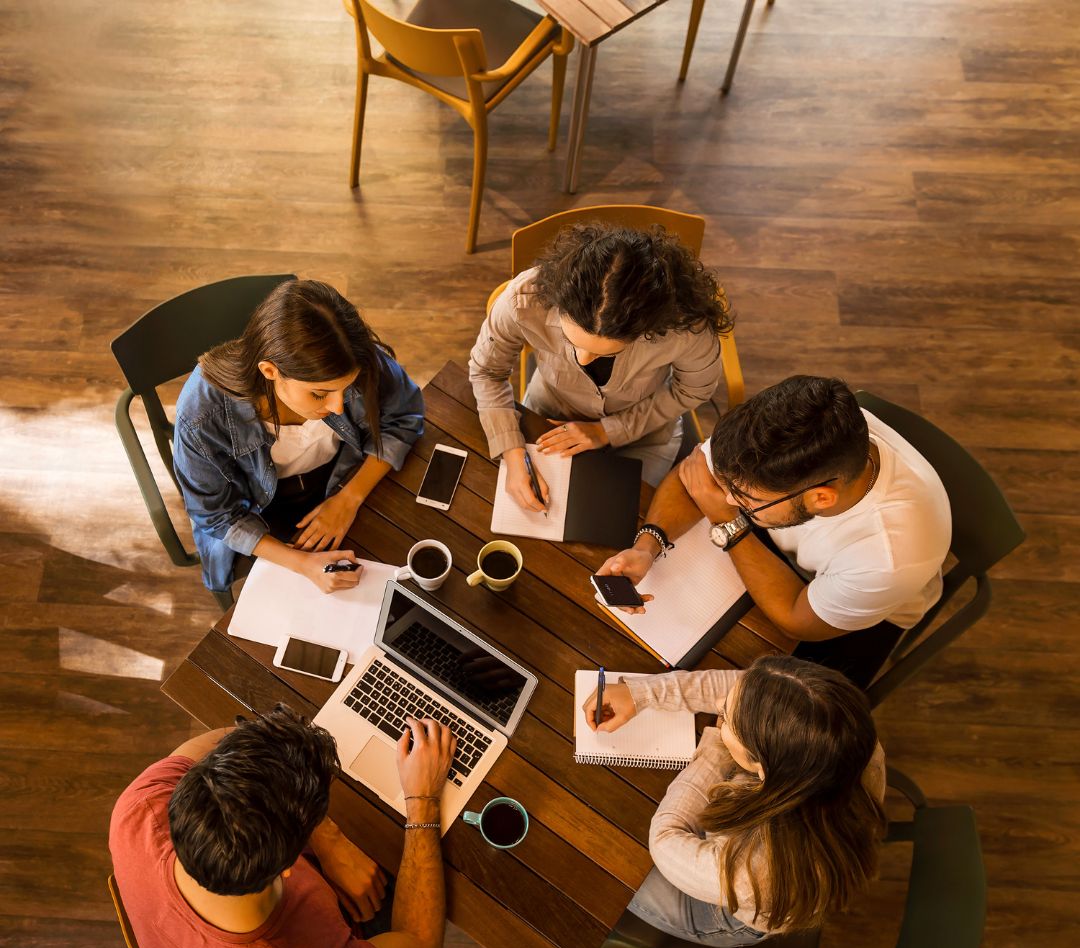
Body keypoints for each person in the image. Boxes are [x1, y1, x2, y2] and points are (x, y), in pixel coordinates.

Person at [109, 704, 457, 948]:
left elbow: (228, 746)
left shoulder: (141, 805)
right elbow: (420, 947)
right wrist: (423, 799)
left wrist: (329, 838)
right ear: (292, 866)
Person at [597, 375, 951, 688]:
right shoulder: (778, 440)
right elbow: (695, 478)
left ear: (820, 498)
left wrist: (729, 523)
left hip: (857, 616)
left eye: (743, 496)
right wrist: (648, 546)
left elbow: (798, 621)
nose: (727, 495)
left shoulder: (888, 558)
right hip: (773, 536)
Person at [583, 656, 887, 945]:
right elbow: (748, 689)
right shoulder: (850, 738)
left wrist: (716, 744)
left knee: (604, 866)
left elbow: (665, 839)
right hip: (766, 856)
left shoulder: (751, 869)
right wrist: (641, 693)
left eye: (728, 717)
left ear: (762, 765)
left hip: (731, 910)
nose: (718, 706)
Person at [173, 279, 424, 596]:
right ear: (269, 371)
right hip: (259, 512)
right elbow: (217, 516)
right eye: (320, 394)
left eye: (346, 389)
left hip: (344, 475)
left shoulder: (350, 356)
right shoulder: (201, 415)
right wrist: (303, 564)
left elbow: (404, 417)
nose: (336, 406)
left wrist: (349, 499)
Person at [468, 222, 731, 503]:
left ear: (650, 328)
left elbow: (692, 390)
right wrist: (511, 449)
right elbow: (486, 372)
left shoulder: (684, 327)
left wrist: (608, 430)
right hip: (549, 414)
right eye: (573, 343)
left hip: (645, 430)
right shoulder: (523, 300)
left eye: (606, 353)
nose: (582, 359)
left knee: (614, 520)